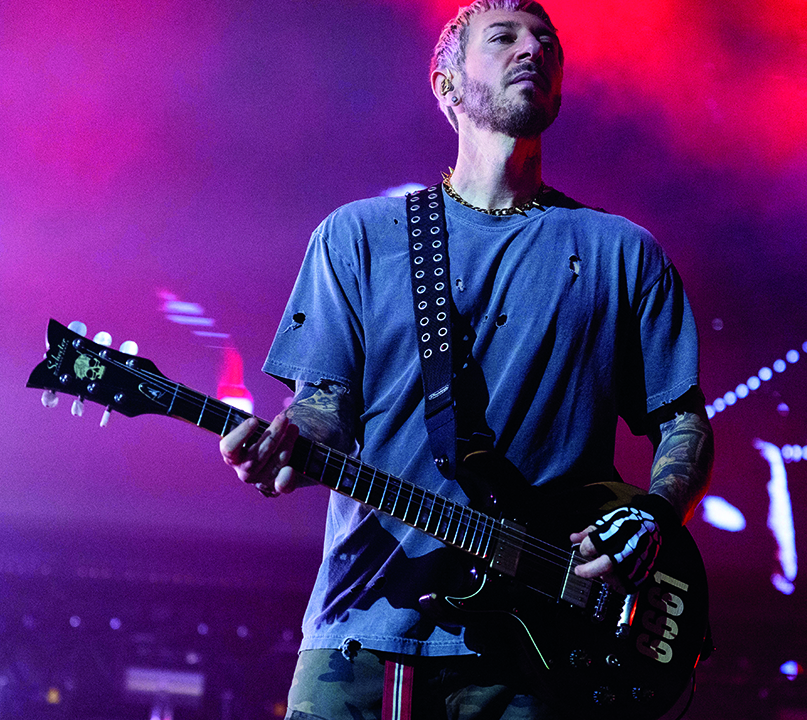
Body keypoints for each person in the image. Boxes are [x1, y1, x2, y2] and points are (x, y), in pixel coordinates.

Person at [218, 1, 713, 717]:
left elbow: (685, 424)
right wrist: (290, 440)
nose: (532, 49)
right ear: (448, 87)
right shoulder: (360, 237)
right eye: (504, 37)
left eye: (547, 41)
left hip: (540, 655)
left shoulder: (622, 253)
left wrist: (656, 518)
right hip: (364, 630)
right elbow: (323, 407)